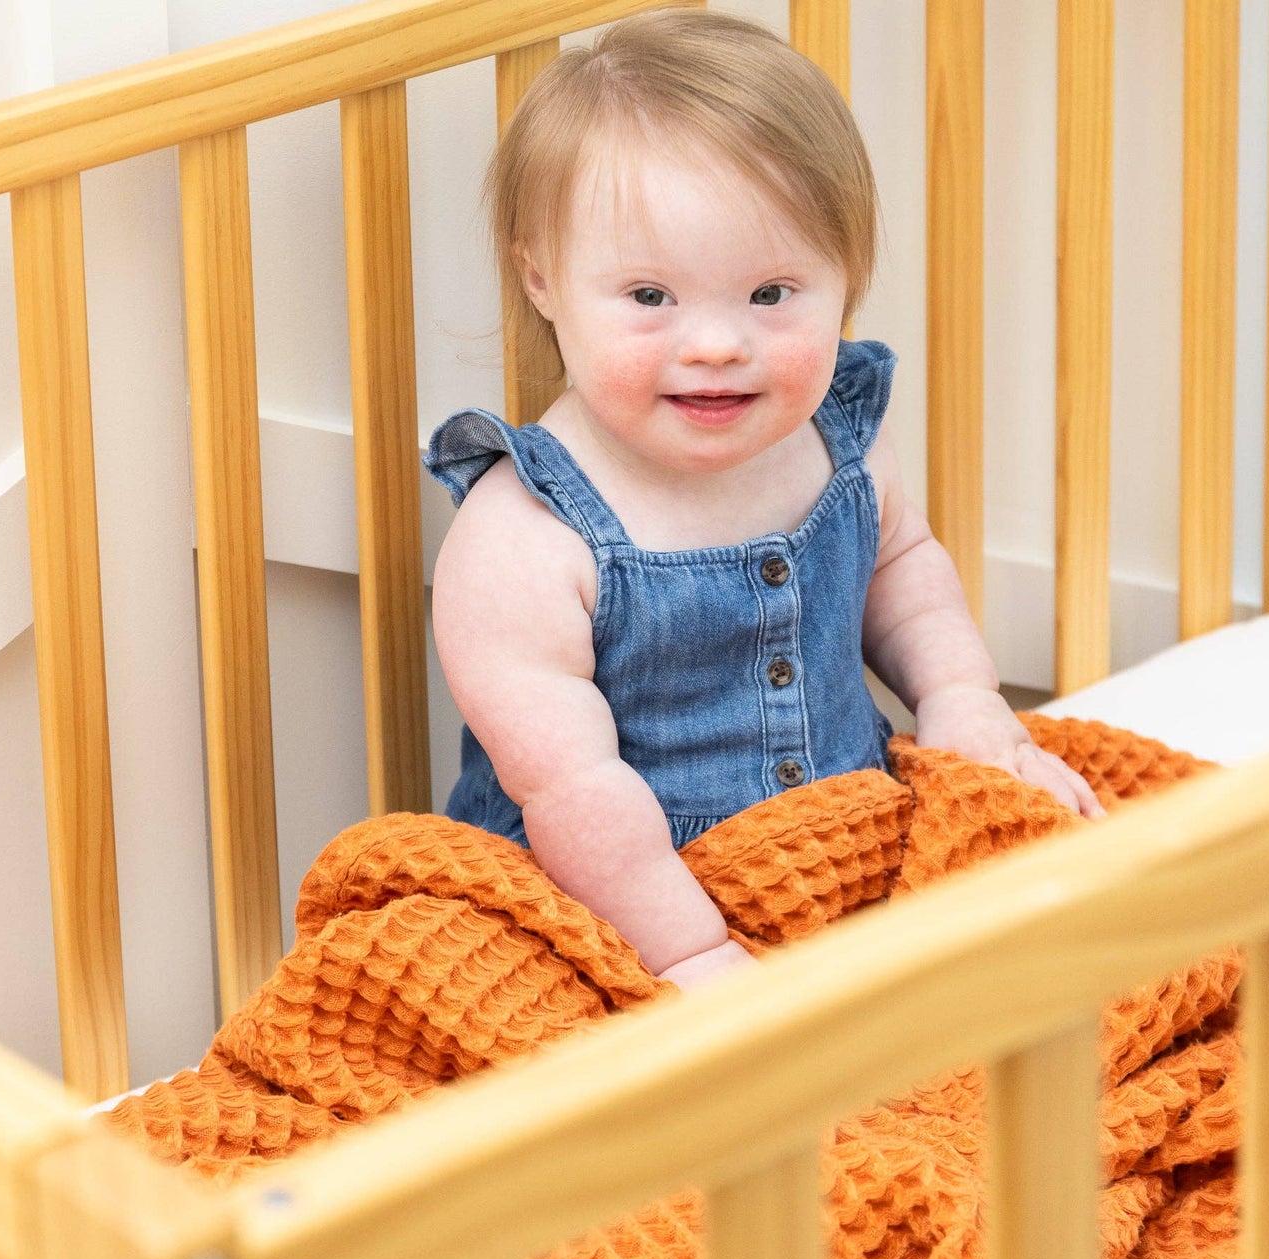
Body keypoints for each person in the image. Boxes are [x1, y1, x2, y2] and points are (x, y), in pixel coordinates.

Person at [427, 8, 1103, 991]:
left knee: (1088, 928)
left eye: (771, 293)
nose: (715, 344)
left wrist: (961, 699)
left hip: (846, 844)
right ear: (543, 280)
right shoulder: (525, 536)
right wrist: (692, 955)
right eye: (649, 297)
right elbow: (573, 792)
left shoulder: (839, 446)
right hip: (607, 908)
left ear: (845, 283)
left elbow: (906, 576)